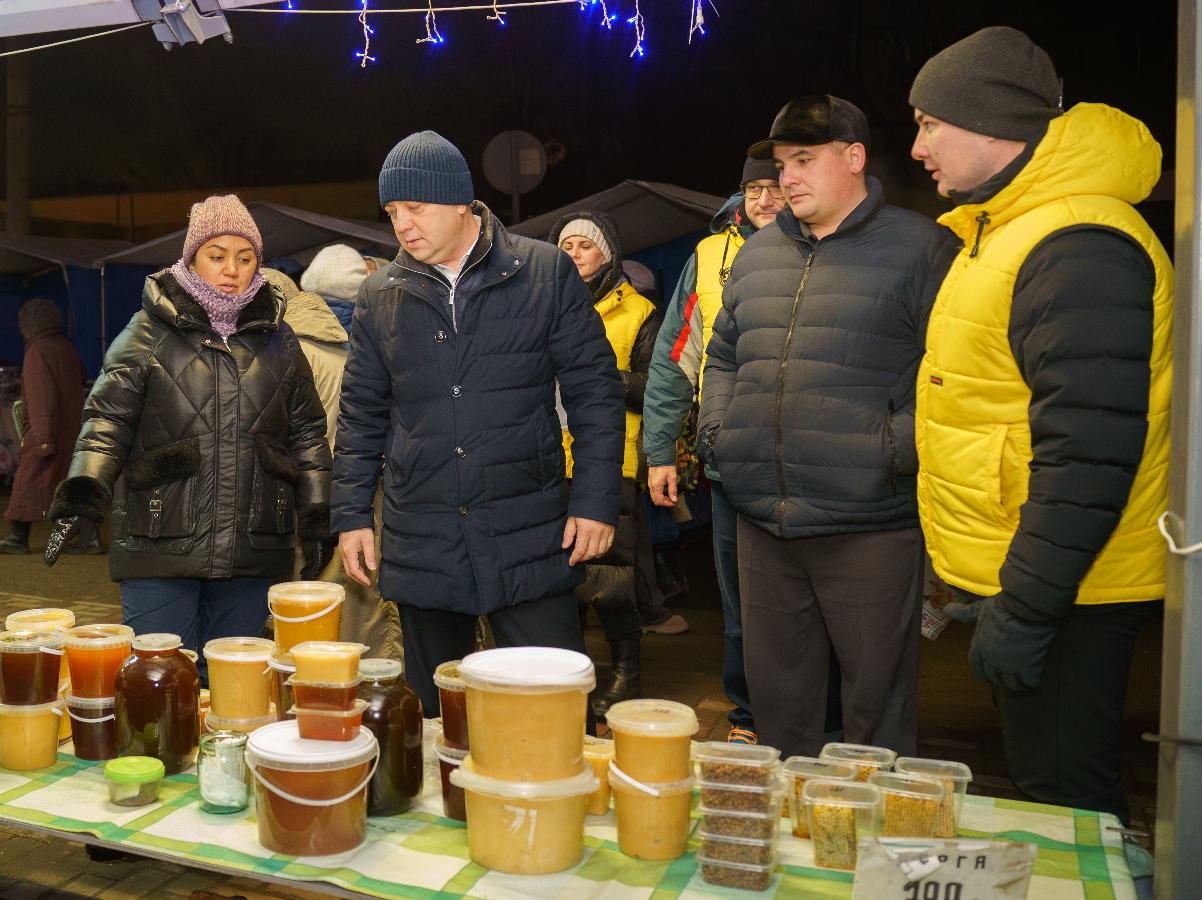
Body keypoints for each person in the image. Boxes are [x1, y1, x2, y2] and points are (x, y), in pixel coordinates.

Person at [909, 26, 1171, 823]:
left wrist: (1026, 608)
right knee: (1046, 785)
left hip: (1071, 595)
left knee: (1066, 799)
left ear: (992, 125)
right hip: (1039, 579)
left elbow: (1088, 451)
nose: (917, 145)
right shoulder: (1009, 228)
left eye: (929, 124)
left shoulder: (1076, 244)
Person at [333, 131, 625, 715]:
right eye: (392, 212)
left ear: (461, 201)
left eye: (415, 207)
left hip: (529, 531)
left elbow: (595, 392)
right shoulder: (378, 295)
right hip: (424, 538)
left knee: (552, 710)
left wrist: (594, 500)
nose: (402, 225)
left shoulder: (543, 273)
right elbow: (362, 415)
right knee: (441, 720)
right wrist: (350, 516)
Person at [698, 95, 955, 758]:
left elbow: (957, 373)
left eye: (804, 160)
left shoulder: (922, 250)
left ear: (854, 158)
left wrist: (891, 452)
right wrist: (721, 429)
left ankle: (867, 846)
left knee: (876, 710)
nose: (787, 177)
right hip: (763, 520)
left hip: (868, 525)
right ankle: (789, 846)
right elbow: (722, 352)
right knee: (777, 707)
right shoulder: (757, 257)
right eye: (783, 163)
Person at [44, 195, 334, 683]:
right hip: (161, 539)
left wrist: (317, 517)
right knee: (159, 683)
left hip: (254, 544)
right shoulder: (144, 333)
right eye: (217, 255)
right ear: (192, 258)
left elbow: (306, 433)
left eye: (245, 258)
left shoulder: (279, 340)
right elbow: (106, 422)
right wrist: (82, 494)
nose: (231, 270)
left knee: (234, 689)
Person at [643, 155, 785, 744]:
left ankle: (826, 722)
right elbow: (676, 359)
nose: (765, 200)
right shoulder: (708, 259)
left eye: (775, 187)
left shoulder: (830, 244)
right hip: (731, 462)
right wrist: (658, 452)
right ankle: (748, 715)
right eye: (754, 188)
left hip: (813, 463)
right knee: (741, 603)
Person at [264, 256, 403, 661]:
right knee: (362, 625)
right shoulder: (354, 345)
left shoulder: (288, 354)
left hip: (315, 512)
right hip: (358, 504)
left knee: (318, 633)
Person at [549, 211, 660, 720]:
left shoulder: (637, 312)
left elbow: (657, 388)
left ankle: (625, 672)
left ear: (606, 255)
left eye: (584, 246)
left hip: (614, 457)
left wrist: (601, 380)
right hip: (552, 458)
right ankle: (573, 673)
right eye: (565, 244)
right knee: (562, 577)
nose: (574, 253)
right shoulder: (545, 306)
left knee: (612, 574)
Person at [0, 299, 91, 555]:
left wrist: (42, 439)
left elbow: (42, 396)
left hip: (46, 431)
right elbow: (81, 380)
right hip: (70, 430)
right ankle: (89, 536)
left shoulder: (37, 350)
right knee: (67, 486)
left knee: (27, 483)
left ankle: (17, 538)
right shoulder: (66, 347)